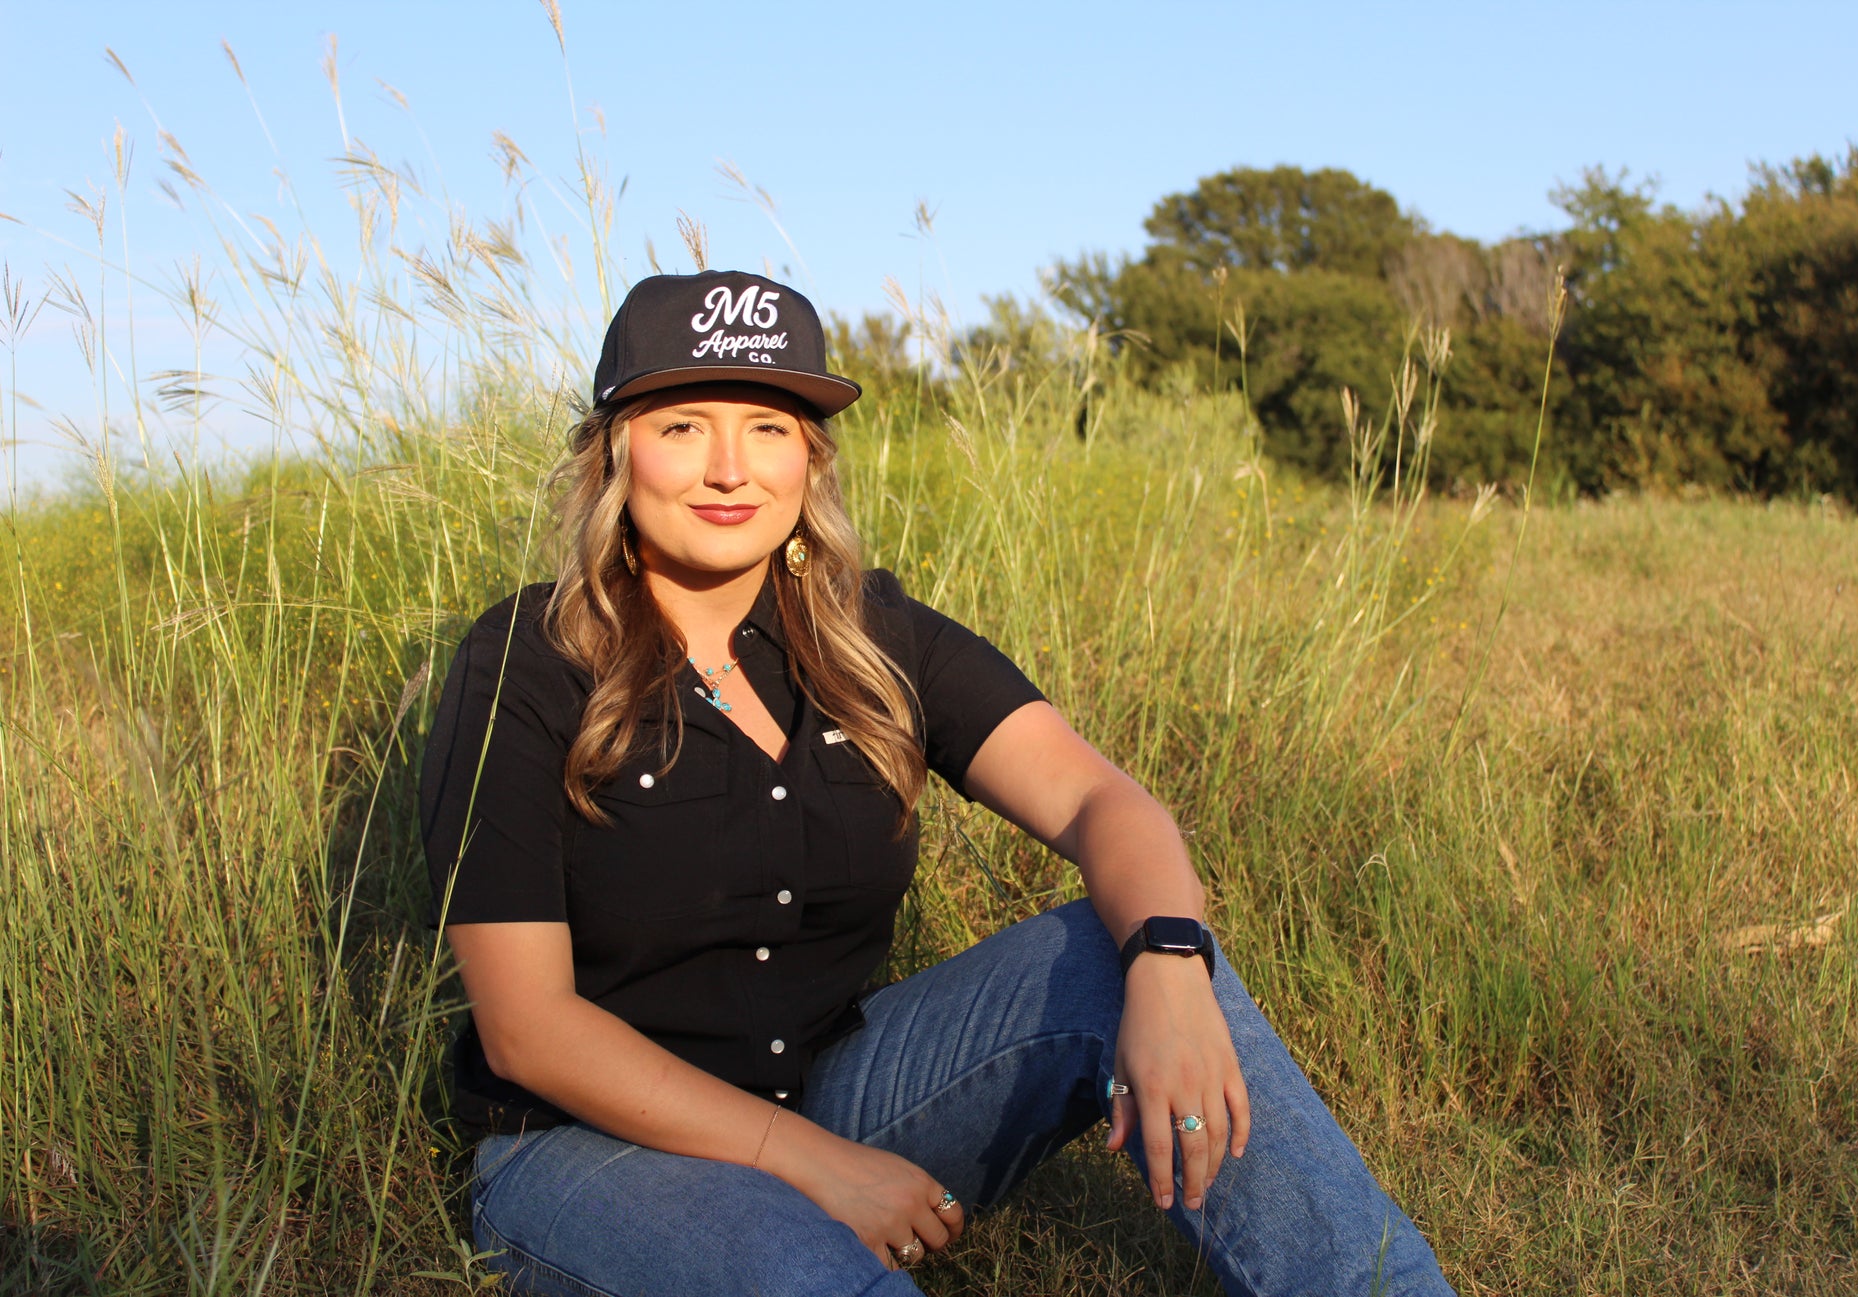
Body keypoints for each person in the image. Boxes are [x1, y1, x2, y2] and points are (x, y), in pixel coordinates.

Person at [420, 270, 1453, 1296]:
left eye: (768, 428)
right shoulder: (524, 662)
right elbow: (529, 1027)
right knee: (806, 1272)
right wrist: (813, 1165)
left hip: (836, 1091)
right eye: (684, 426)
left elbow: (1102, 803)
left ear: (809, 457)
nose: (729, 469)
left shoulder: (872, 635)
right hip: (594, 1147)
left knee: (1133, 947)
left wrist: (1174, 971)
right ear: (614, 452)